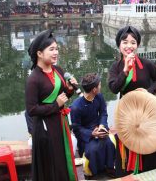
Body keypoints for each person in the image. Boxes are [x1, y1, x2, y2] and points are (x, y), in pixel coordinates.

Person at [108, 25, 156, 174]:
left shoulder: (147, 64)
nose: (129, 46)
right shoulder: (116, 67)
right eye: (125, 42)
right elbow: (114, 88)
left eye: (133, 42)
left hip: (146, 112)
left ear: (138, 44)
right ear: (119, 45)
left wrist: (148, 92)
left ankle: (150, 174)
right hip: (127, 113)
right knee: (127, 145)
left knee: (148, 143)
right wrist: (125, 70)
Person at [25, 29, 78, 181]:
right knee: (51, 162)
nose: (56, 53)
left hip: (60, 123)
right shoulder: (33, 79)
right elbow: (32, 110)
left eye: (56, 49)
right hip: (44, 128)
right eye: (51, 49)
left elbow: (63, 96)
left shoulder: (58, 70)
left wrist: (69, 89)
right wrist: (56, 105)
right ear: (39, 53)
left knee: (62, 157)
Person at [70, 73, 116, 178]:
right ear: (94, 89)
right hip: (86, 136)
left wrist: (102, 126)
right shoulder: (76, 107)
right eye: (99, 85)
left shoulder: (99, 96)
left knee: (109, 143)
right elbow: (76, 129)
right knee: (93, 150)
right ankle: (95, 174)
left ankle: (109, 167)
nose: (100, 86)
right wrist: (92, 133)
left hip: (99, 128)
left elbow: (103, 113)